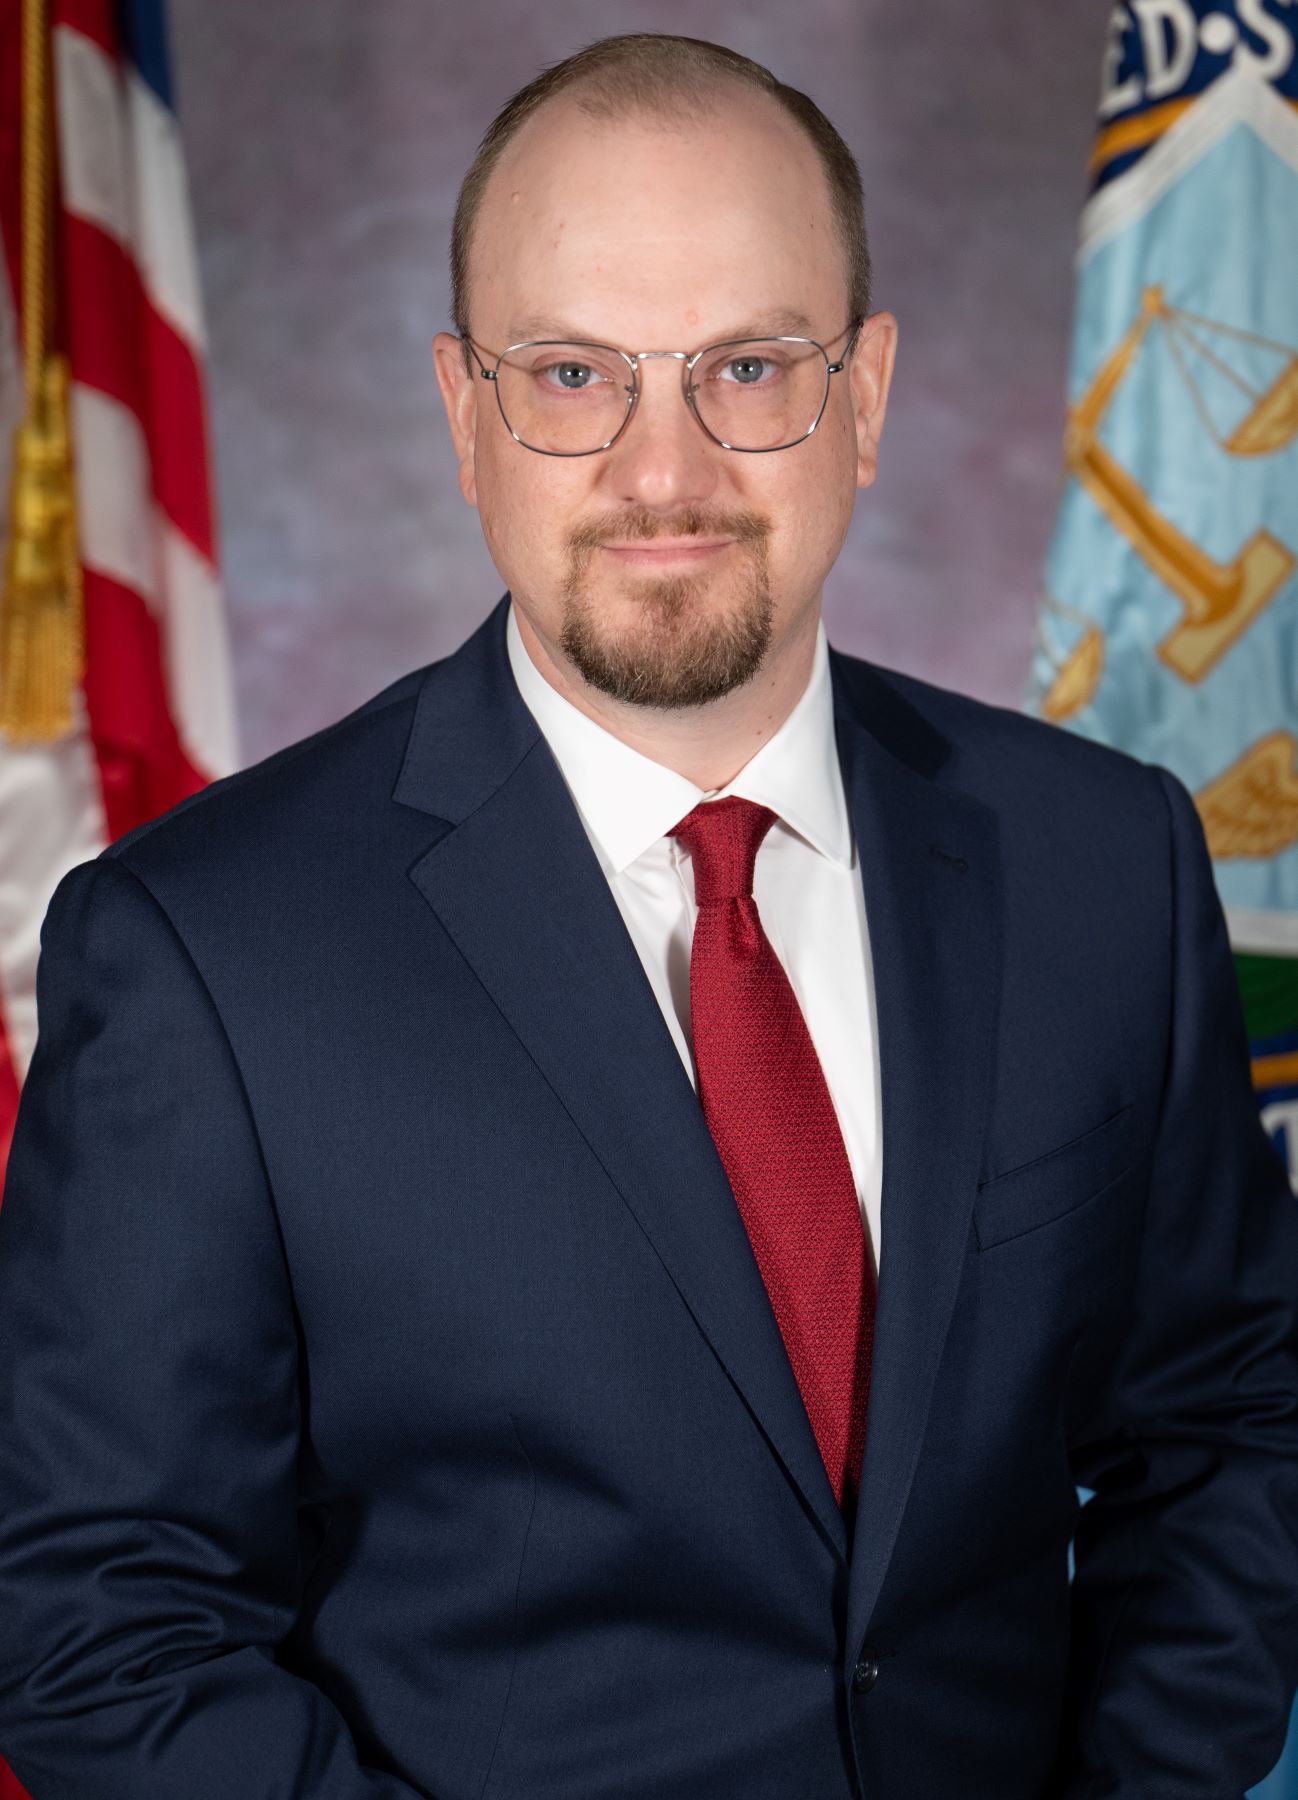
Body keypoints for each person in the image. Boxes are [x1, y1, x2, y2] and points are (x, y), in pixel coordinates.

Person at [0, 29, 1296, 1800]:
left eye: (749, 367)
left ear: (867, 393)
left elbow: (1226, 1431)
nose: (663, 469)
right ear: (465, 413)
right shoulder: (202, 952)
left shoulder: (1102, 864)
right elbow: (103, 1627)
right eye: (572, 374)